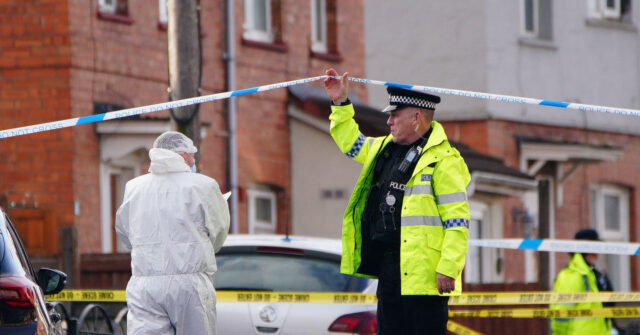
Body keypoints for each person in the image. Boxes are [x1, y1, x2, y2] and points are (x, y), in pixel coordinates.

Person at [323, 69, 471, 334]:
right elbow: (351, 145)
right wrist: (339, 103)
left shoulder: (444, 161)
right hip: (390, 269)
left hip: (426, 278)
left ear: (416, 117)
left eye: (394, 114)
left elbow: (457, 221)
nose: (389, 121)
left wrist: (448, 268)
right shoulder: (384, 148)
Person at [115, 131, 229, 335]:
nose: (194, 160)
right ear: (183, 155)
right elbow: (219, 231)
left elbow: (124, 231)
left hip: (145, 285)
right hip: (190, 283)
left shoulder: (134, 187)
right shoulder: (203, 185)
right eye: (193, 154)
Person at [551, 229, 613, 335]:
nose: (598, 253)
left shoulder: (592, 274)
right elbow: (561, 314)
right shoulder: (571, 275)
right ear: (586, 250)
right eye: (595, 248)